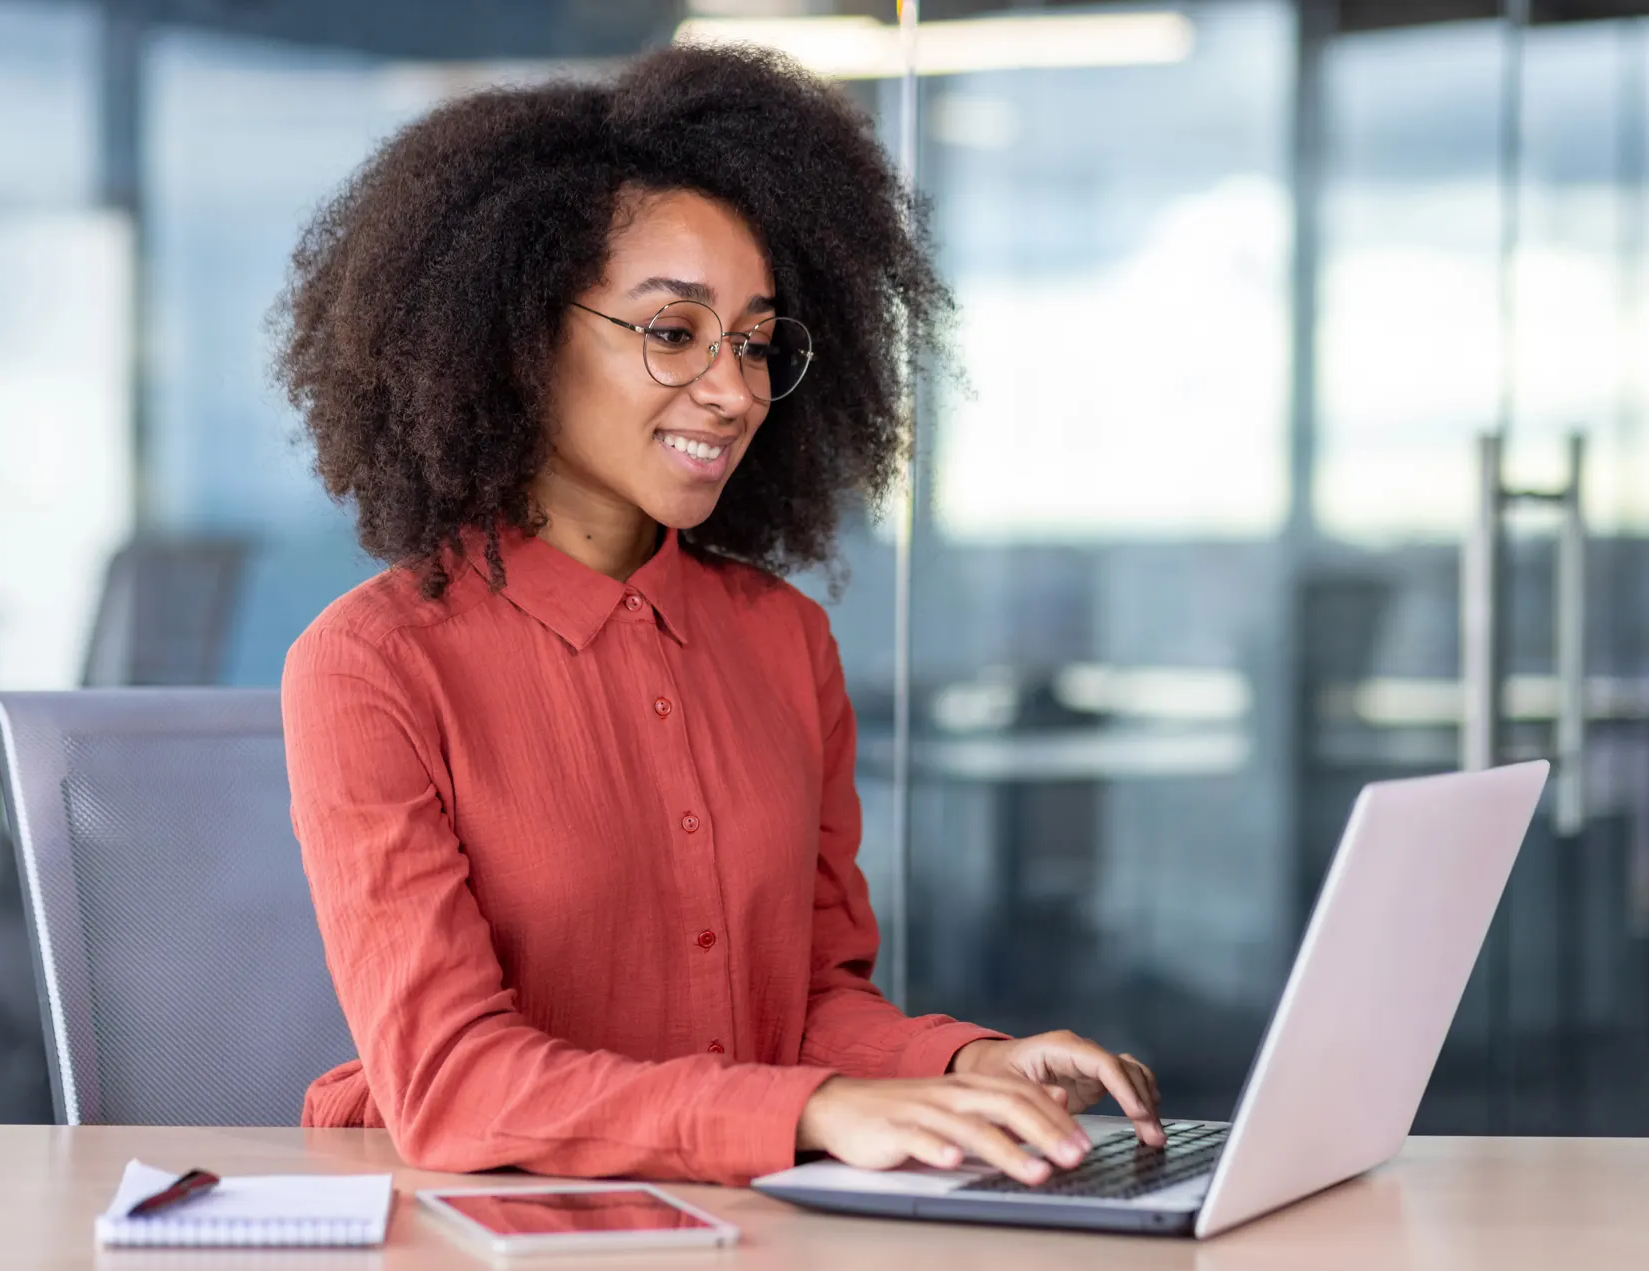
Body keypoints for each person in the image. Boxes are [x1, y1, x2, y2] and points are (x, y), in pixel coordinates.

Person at [274, 41, 1162, 1189]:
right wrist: (816, 1110)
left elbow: (806, 1003)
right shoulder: (372, 665)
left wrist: (963, 1064)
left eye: (753, 341)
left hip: (743, 1222)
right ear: (519, 339)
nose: (735, 390)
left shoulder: (784, 641)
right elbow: (453, 1083)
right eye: (672, 332)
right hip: (473, 1228)